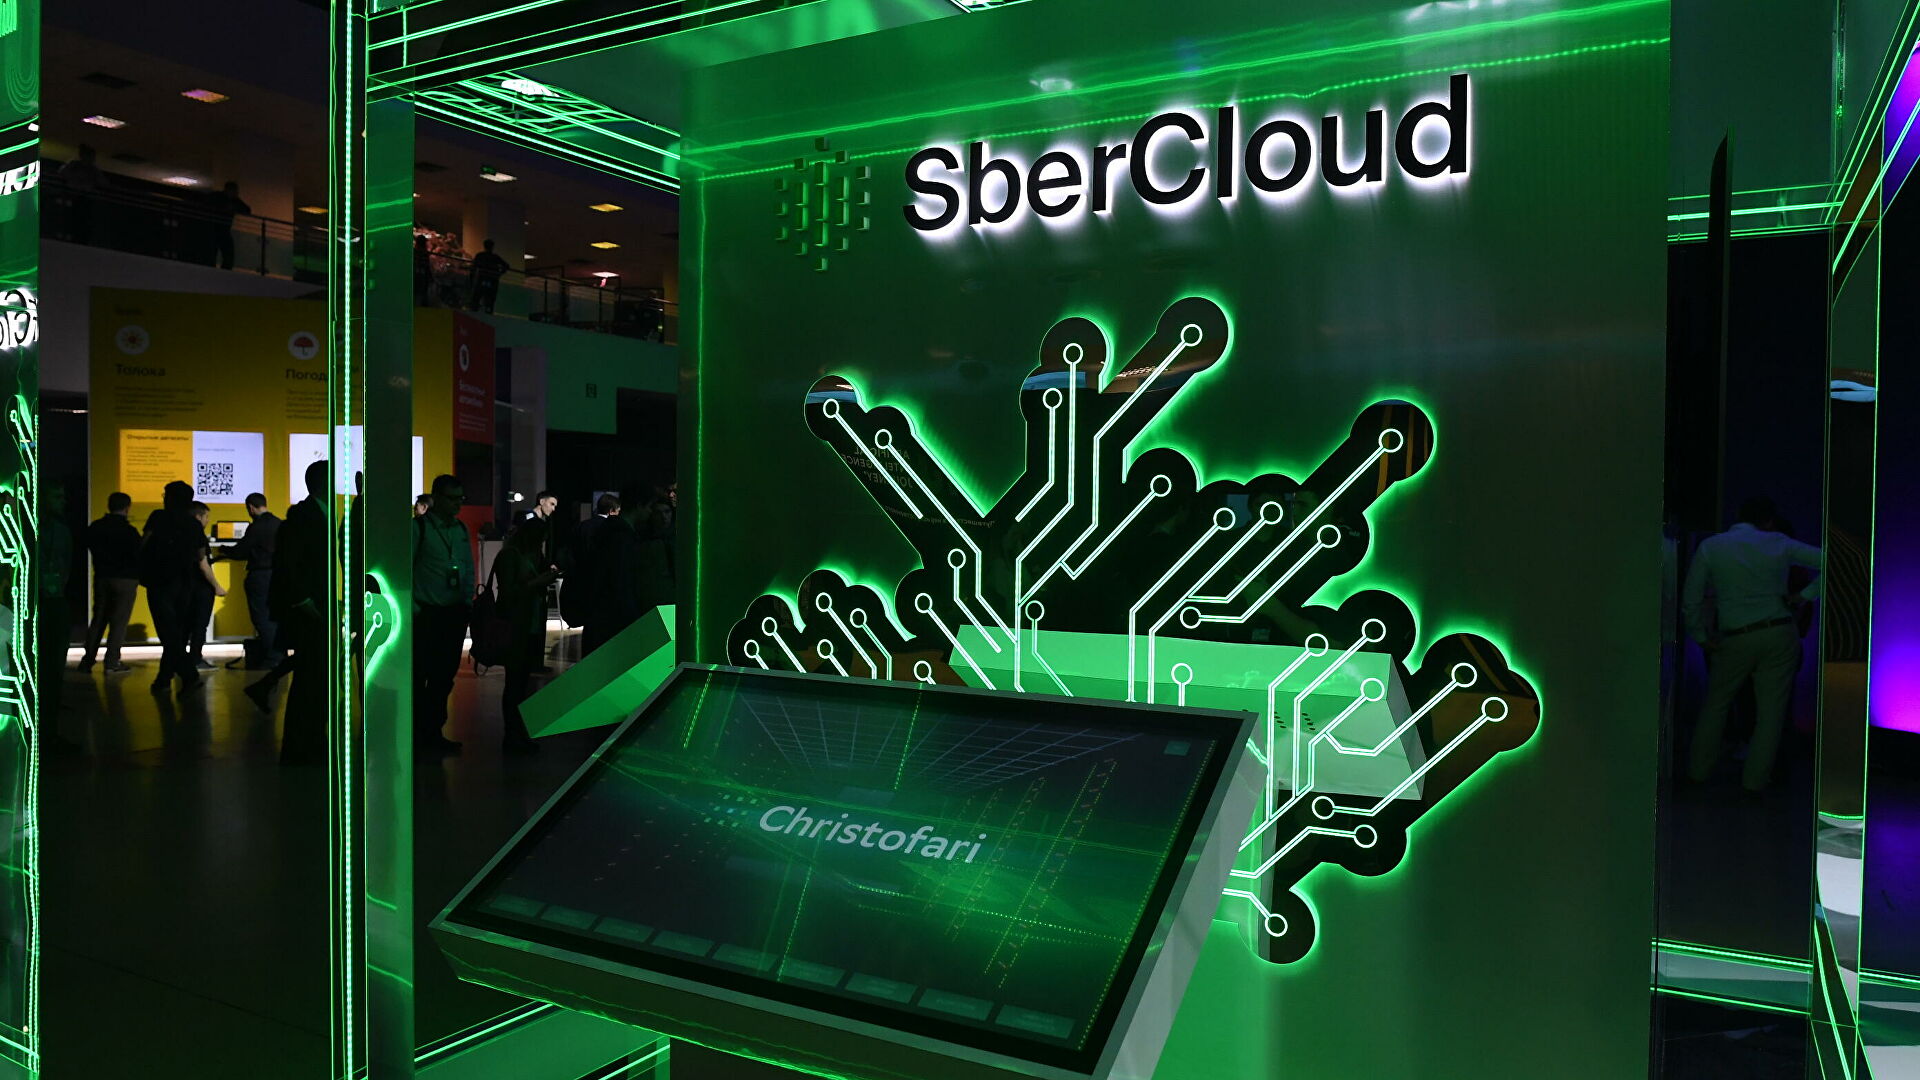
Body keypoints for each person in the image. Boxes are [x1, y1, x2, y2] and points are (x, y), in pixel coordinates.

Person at [1683, 496, 1823, 792]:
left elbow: (1691, 599)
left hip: (1735, 635)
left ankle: (1697, 774)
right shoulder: (1780, 543)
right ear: (1769, 521)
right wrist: (1804, 596)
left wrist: (1700, 636)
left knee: (1716, 704)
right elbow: (1835, 561)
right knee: (1771, 714)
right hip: (1779, 631)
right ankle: (1754, 784)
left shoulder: (1711, 546)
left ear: (1738, 516)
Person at [267, 461, 329, 761]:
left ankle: (308, 742)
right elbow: (292, 562)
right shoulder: (305, 516)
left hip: (315, 606)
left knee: (313, 678)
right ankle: (303, 745)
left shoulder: (311, 513)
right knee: (311, 679)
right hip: (310, 608)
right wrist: (305, 601)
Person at [140, 481, 223, 694]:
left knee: (168, 634)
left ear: (170, 498)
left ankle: (188, 676)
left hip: (160, 581)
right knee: (175, 633)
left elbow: (144, 544)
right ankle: (164, 679)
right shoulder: (193, 525)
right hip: (185, 584)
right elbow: (201, 556)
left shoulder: (158, 517)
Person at [413, 473, 474, 753]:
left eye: (460, 498)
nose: (458, 504)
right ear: (436, 498)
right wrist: (414, 606)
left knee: (444, 677)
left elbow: (467, 566)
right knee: (421, 676)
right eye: (452, 499)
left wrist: (467, 601)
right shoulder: (419, 528)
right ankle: (418, 735)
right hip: (426, 614)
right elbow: (405, 568)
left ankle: (433, 733)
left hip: (453, 613)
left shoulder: (459, 529)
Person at [496, 523, 560, 755]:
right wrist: (539, 582)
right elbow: (509, 592)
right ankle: (513, 735)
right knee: (515, 684)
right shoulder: (511, 556)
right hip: (517, 626)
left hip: (528, 626)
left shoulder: (528, 555)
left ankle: (517, 734)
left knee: (520, 684)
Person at [78, 491, 141, 673]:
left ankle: (87, 660)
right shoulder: (129, 531)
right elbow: (138, 554)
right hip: (125, 579)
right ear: (127, 508)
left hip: (102, 577)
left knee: (99, 619)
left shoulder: (96, 527)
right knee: (119, 622)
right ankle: (112, 662)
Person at [226, 492, 282, 670]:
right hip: (277, 575)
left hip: (260, 576)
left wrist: (224, 550)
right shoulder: (279, 524)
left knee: (261, 617)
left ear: (250, 508)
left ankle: (272, 657)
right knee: (275, 617)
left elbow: (240, 552)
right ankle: (278, 655)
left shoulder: (256, 527)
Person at [186, 502, 218, 669]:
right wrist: (216, 586)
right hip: (200, 587)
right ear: (198, 517)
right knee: (200, 625)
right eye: (206, 517)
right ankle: (195, 659)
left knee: (185, 625)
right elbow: (203, 564)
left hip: (185, 587)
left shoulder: (180, 533)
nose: (207, 520)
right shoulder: (198, 535)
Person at [210, 181, 250, 270]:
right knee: (215, 251)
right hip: (215, 228)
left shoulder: (234, 201)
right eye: (235, 191)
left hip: (223, 230)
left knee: (227, 253)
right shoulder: (218, 197)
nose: (236, 193)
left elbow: (247, 210)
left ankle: (222, 269)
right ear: (229, 190)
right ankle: (213, 268)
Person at [468, 238, 509, 313]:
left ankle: (474, 311)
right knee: (490, 300)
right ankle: (488, 312)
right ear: (492, 247)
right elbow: (506, 266)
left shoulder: (480, 255)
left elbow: (473, 267)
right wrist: (499, 274)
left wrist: (472, 278)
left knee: (477, 298)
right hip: (492, 280)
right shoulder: (495, 257)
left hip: (482, 279)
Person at [414, 234, 432, 308]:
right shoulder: (425, 253)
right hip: (422, 277)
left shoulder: (414, 252)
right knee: (419, 295)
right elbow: (427, 266)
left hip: (414, 276)